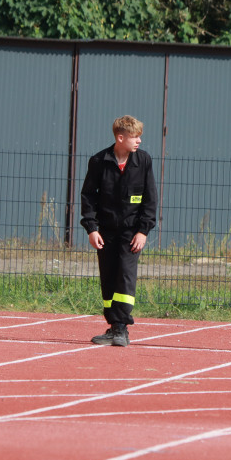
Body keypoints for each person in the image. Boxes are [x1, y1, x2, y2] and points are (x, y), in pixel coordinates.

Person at [80, 115, 158, 347]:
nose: (139, 141)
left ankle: (121, 328)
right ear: (120, 138)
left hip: (131, 232)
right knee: (109, 277)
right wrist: (91, 229)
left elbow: (150, 200)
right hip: (105, 231)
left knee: (125, 274)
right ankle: (114, 326)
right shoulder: (98, 161)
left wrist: (143, 231)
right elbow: (88, 197)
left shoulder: (143, 161)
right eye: (134, 137)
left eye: (139, 136)